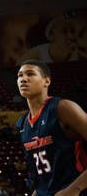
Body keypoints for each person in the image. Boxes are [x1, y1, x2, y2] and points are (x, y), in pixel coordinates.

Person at [16, 60, 87, 195]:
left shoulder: (63, 108)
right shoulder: (22, 123)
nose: (23, 79)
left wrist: (74, 189)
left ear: (46, 81)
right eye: (20, 75)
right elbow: (41, 172)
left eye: (30, 74)